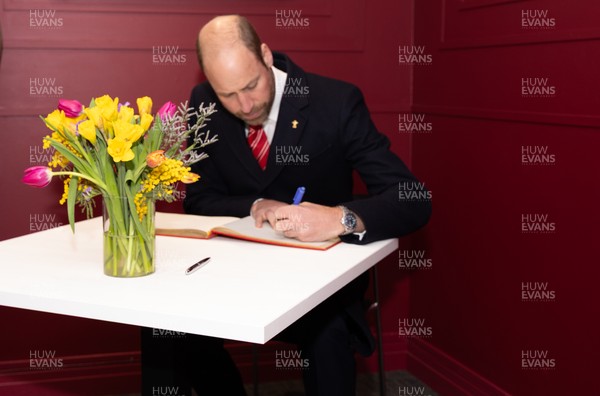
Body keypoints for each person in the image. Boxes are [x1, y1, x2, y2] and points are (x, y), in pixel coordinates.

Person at [143, 14, 431, 396]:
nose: (244, 105)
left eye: (251, 85)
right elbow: (199, 201)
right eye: (227, 94)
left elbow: (412, 199)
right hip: (231, 274)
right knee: (163, 320)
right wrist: (257, 203)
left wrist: (338, 217)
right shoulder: (203, 103)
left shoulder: (336, 102)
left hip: (319, 284)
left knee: (328, 335)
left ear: (265, 56)